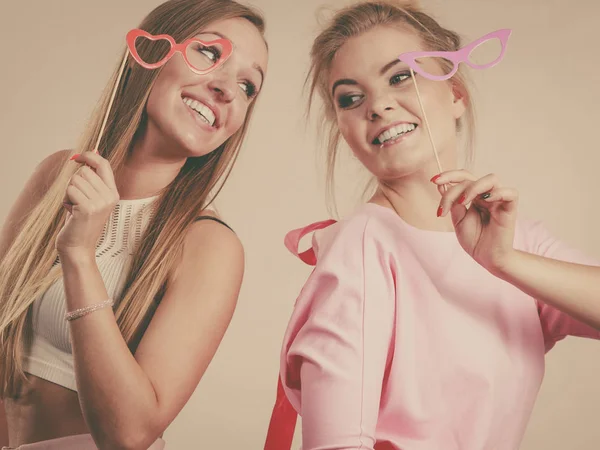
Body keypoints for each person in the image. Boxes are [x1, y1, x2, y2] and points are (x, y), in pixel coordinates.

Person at [265, 1, 600, 449]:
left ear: (456, 94)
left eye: (400, 76)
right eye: (351, 97)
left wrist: (504, 261)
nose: (378, 105)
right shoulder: (362, 249)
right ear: (344, 129)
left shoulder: (516, 243)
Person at [0, 0, 268, 448]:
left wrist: (80, 256)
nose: (227, 89)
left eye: (248, 86)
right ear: (150, 51)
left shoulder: (208, 245)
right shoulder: (56, 175)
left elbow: (129, 436)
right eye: (209, 52)